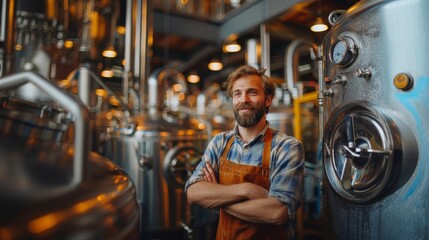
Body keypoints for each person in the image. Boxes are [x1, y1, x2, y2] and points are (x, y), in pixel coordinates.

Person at [185, 65, 305, 240]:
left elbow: (277, 211)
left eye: (252, 92)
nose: (244, 99)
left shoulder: (286, 148)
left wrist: (218, 198)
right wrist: (246, 190)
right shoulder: (220, 142)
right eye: (237, 94)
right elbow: (193, 193)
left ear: (268, 99)